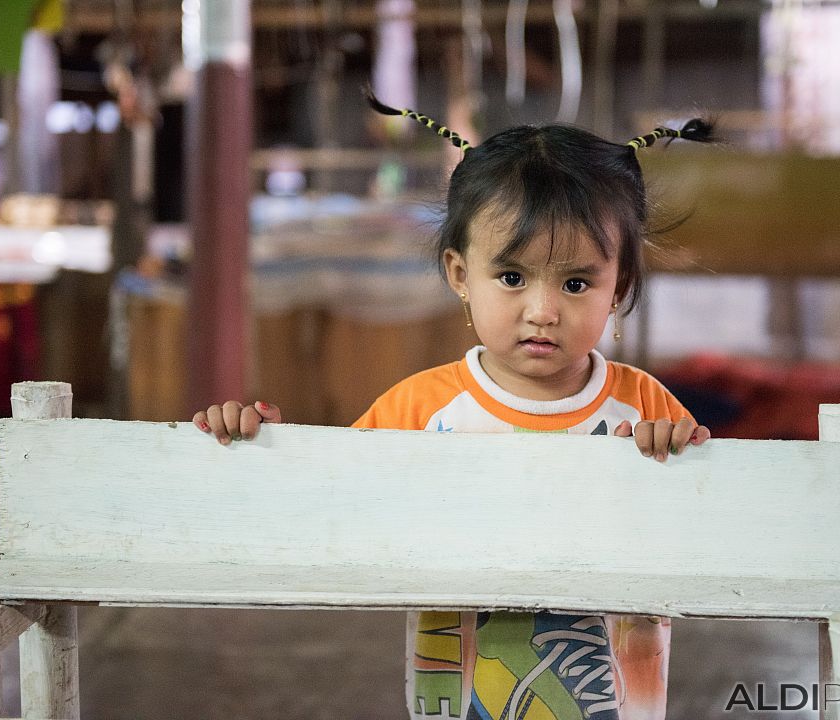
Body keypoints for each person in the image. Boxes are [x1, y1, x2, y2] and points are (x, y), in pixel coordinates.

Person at [193, 92, 715, 720]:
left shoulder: (645, 406)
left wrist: (675, 459)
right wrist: (269, 448)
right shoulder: (422, 408)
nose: (543, 310)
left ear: (619, 286)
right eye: (513, 277)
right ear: (461, 274)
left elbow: (703, 532)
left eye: (577, 283)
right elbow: (328, 501)